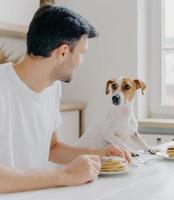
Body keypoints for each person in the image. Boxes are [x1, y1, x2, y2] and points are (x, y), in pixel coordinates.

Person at [0, 5, 131, 193]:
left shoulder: (53, 88)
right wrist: (65, 175)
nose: (81, 61)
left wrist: (100, 154)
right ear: (62, 52)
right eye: (81, 53)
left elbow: (51, 148)